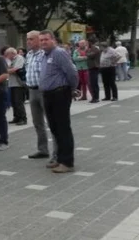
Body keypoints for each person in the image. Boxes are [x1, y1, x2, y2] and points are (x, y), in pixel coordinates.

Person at [39, 30, 78, 173]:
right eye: (41, 40)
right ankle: (60, 159)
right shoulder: (45, 55)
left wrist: (72, 88)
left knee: (63, 128)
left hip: (60, 94)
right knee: (55, 128)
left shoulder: (59, 53)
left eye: (46, 39)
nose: (43, 42)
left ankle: (67, 162)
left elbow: (72, 72)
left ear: (53, 40)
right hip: (48, 95)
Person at [25, 31, 56, 163]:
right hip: (32, 91)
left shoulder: (45, 54)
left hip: (45, 91)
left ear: (39, 40)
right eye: (28, 39)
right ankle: (43, 149)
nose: (28, 41)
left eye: (31, 39)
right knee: (38, 122)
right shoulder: (29, 54)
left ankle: (56, 153)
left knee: (53, 122)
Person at [5, 47, 27, 125]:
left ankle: (23, 118)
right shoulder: (10, 60)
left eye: (7, 54)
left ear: (12, 53)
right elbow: (9, 69)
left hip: (18, 84)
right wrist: (9, 69)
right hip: (12, 83)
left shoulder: (19, 58)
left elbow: (16, 69)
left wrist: (6, 70)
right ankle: (16, 117)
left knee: (18, 101)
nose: (6, 56)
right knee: (13, 102)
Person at [86, 37, 101, 103]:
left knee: (94, 83)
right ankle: (94, 97)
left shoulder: (95, 48)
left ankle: (96, 97)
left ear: (90, 42)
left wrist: (87, 53)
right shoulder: (91, 48)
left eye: (87, 42)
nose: (87, 43)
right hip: (91, 67)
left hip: (94, 67)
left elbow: (92, 55)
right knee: (92, 83)